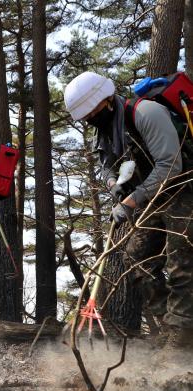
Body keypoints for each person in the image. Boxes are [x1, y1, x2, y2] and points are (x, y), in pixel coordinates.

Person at [64, 71, 193, 346]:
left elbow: (171, 166)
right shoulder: (105, 130)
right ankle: (174, 328)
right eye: (84, 117)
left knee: (182, 265)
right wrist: (115, 184)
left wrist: (131, 200)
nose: (89, 119)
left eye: (91, 112)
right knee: (136, 261)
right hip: (153, 199)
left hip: (183, 191)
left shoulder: (146, 112)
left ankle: (181, 342)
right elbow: (106, 165)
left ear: (107, 99)